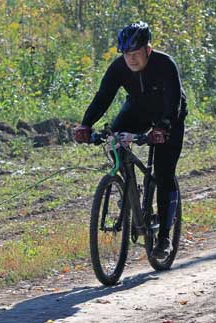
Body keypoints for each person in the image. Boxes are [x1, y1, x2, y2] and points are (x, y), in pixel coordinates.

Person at [74, 21, 187, 259]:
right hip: (138, 110)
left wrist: (163, 128)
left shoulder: (165, 64)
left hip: (169, 116)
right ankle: (128, 192)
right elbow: (103, 96)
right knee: (115, 138)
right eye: (126, 54)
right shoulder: (118, 68)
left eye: (136, 54)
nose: (131, 60)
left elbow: (174, 102)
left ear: (148, 49)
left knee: (163, 173)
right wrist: (86, 124)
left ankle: (164, 237)